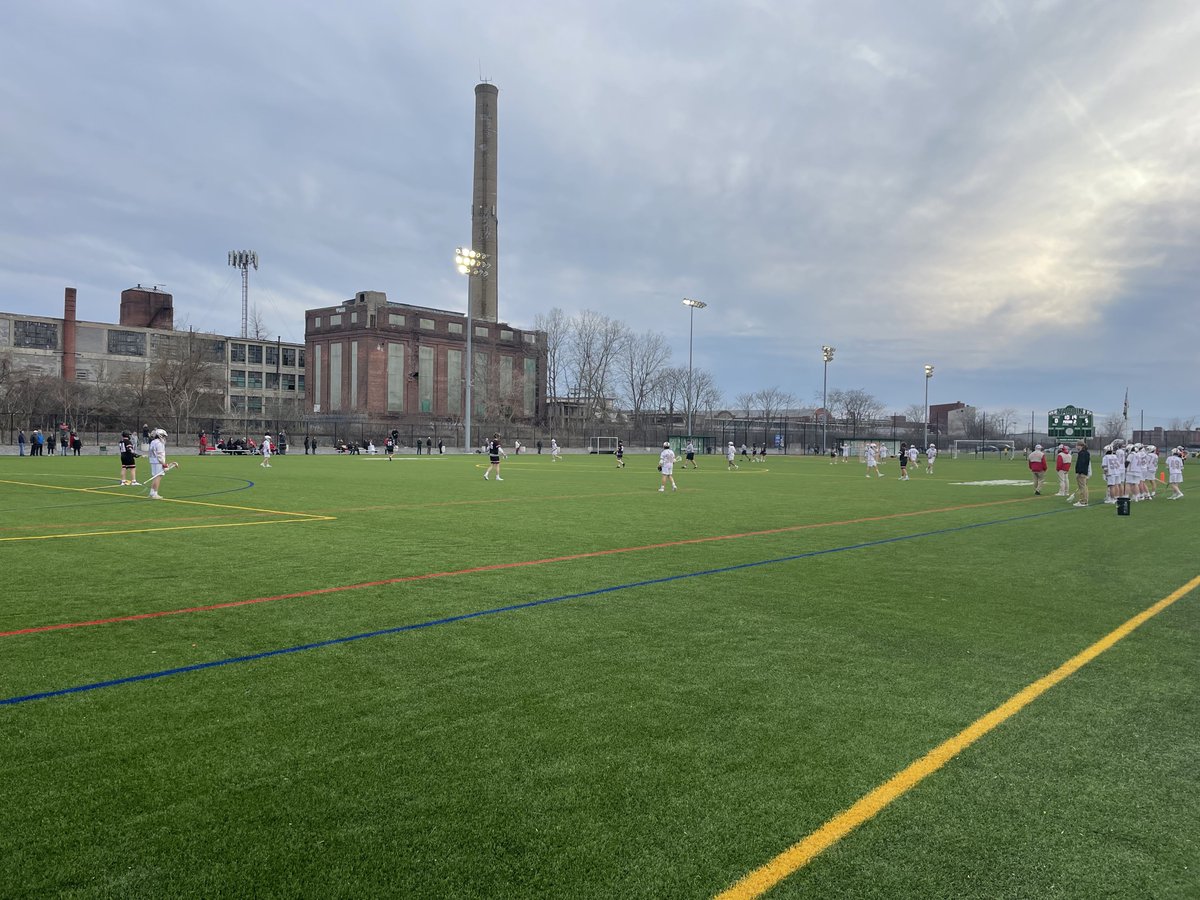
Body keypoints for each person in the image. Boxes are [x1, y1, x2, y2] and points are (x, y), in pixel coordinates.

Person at [147, 428, 169, 499]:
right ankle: (155, 493)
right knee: (158, 477)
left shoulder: (153, 442)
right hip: (158, 462)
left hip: (153, 461)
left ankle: (152, 492)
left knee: (155, 477)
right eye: (163, 436)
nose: (164, 438)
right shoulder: (159, 443)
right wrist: (164, 464)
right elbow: (160, 455)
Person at [1071, 440, 1091, 507]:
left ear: (1081, 446)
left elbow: (1081, 463)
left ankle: (1083, 501)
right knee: (1084, 487)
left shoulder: (1082, 453)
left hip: (1081, 472)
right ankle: (1084, 500)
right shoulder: (1086, 453)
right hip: (1084, 472)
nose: (1076, 447)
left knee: (1082, 487)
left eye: (1077, 445)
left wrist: (1079, 472)